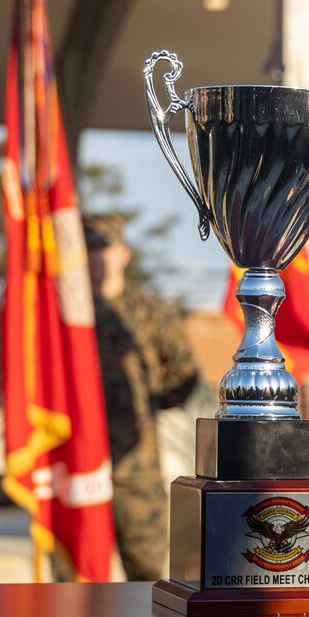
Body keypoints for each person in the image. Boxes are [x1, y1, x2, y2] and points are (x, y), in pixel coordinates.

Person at [77, 212, 200, 581]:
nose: (97, 257)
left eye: (105, 247)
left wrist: (150, 405)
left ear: (123, 254)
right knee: (73, 580)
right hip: (78, 467)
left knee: (144, 576)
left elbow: (184, 371)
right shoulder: (64, 314)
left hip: (137, 471)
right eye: (89, 248)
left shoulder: (152, 313)